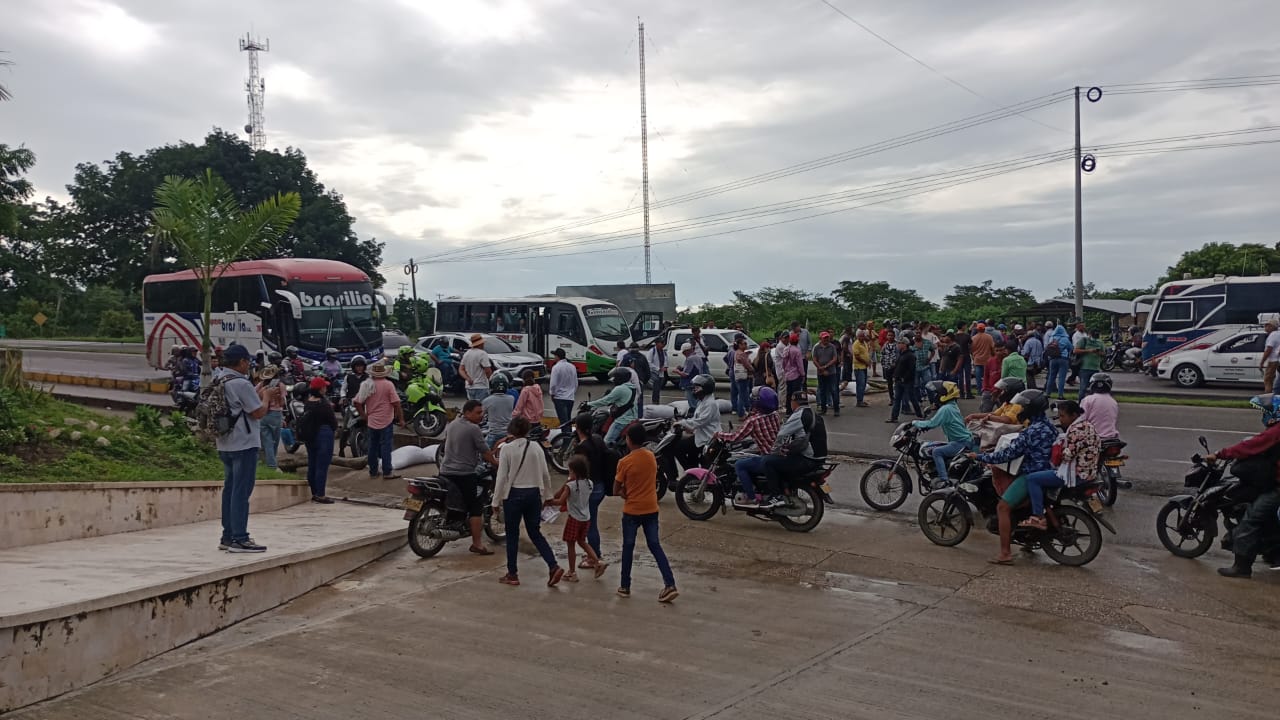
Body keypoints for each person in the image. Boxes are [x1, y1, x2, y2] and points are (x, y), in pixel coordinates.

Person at [969, 389, 1059, 565]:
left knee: (1003, 507)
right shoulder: (1048, 426)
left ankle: (1005, 553)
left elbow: (1007, 454)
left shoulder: (1031, 431)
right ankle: (1029, 539)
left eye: (1022, 407)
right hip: (1048, 470)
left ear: (1030, 409)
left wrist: (981, 457)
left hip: (1031, 474)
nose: (1019, 410)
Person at [1205, 394, 1280, 578]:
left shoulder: (1276, 431)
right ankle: (1272, 552)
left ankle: (1242, 567)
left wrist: (1220, 453)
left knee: (1251, 520)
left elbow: (1252, 445)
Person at [489, 416, 564, 586]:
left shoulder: (507, 449)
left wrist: (495, 502)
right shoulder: (536, 447)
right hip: (534, 494)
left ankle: (512, 574)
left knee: (512, 535)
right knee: (535, 532)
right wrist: (547, 496)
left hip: (514, 495)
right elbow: (546, 473)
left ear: (511, 431)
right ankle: (553, 565)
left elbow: (501, 478)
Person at [615, 423, 679, 602]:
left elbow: (616, 488)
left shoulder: (624, 462)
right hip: (651, 508)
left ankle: (625, 585)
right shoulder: (650, 456)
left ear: (628, 440)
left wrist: (624, 493)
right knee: (655, 545)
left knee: (628, 547)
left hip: (632, 510)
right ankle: (670, 583)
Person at [214, 344, 269, 553]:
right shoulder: (241, 383)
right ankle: (240, 538)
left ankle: (227, 536)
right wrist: (266, 397)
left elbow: (236, 404)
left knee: (229, 490)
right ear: (243, 362)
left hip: (225, 444)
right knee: (241, 492)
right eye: (248, 361)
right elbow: (257, 412)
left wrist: (256, 392)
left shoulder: (219, 378)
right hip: (244, 444)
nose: (249, 365)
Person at [1018, 399, 1100, 531]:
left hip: (1077, 474)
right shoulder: (1088, 425)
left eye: (1063, 416)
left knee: (1032, 479)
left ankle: (1038, 517)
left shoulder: (1076, 430)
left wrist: (1057, 450)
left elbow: (1067, 455)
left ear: (1073, 415)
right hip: (1089, 472)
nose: (1060, 420)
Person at [442, 399, 500, 555]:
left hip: (445, 470)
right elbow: (485, 452)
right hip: (464, 473)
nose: (481, 416)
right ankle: (477, 544)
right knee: (476, 507)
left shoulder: (452, 424)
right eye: (478, 413)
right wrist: (496, 463)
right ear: (467, 413)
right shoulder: (473, 429)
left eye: (482, 413)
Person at [715, 386, 782, 507]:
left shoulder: (753, 421)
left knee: (739, 464)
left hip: (768, 457)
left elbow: (736, 437)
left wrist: (719, 434)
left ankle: (751, 497)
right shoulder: (776, 415)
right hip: (778, 455)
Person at [759, 391, 825, 507]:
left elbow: (781, 435)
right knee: (784, 460)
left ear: (793, 403)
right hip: (819, 459)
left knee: (767, 461)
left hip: (807, 460)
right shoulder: (814, 414)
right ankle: (785, 488)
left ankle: (775, 496)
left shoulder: (798, 415)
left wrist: (774, 452)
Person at [549, 456, 607, 582]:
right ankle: (597, 562)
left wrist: (548, 502)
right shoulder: (589, 483)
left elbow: (560, 501)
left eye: (570, 471)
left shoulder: (571, 486)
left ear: (575, 472)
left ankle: (572, 572)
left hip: (574, 518)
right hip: (585, 518)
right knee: (582, 541)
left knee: (571, 545)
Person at [913, 381, 975, 485]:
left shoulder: (946, 409)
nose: (936, 396)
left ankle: (944, 480)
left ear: (945, 395)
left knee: (937, 452)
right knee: (936, 446)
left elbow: (932, 423)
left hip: (961, 442)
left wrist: (915, 423)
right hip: (963, 440)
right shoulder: (952, 405)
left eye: (938, 394)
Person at [572, 416, 613, 562]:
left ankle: (594, 555)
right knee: (592, 521)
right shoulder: (597, 440)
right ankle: (594, 552)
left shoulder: (581, 448)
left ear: (578, 428)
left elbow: (576, 472)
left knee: (590, 524)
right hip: (600, 486)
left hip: (589, 489)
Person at [355, 361, 405, 480]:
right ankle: (387, 472)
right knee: (386, 446)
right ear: (384, 373)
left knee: (372, 446)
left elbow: (357, 402)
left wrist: (364, 415)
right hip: (386, 420)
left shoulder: (367, 385)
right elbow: (396, 403)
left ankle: (373, 471)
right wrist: (401, 419)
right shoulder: (388, 385)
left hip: (372, 421)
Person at [298, 377, 337, 504]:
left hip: (311, 436)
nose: (326, 388)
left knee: (312, 464)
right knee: (322, 466)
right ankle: (320, 494)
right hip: (324, 434)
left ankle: (314, 492)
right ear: (321, 389)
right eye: (324, 386)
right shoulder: (324, 404)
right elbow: (333, 422)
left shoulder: (308, 403)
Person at [675, 374, 721, 471]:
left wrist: (682, 423)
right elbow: (696, 419)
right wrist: (685, 423)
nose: (694, 390)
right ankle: (693, 474)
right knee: (691, 453)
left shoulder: (710, 404)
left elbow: (699, 422)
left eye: (697, 387)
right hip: (701, 435)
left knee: (678, 448)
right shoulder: (702, 401)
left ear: (705, 388)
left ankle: (691, 474)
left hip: (708, 438)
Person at [585, 367, 640, 447]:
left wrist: (589, 404)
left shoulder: (620, 389)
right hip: (632, 416)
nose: (614, 380)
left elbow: (605, 401)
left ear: (620, 378)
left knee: (606, 442)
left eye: (616, 378)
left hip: (622, 420)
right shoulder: (631, 387)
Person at [255, 364, 286, 471]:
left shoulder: (261, 385)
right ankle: (272, 464)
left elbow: (255, 395)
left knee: (266, 440)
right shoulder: (280, 385)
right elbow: (282, 402)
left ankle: (268, 463)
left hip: (263, 413)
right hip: (275, 415)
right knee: (275, 440)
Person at [887, 337, 922, 423]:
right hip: (899, 380)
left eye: (900, 343)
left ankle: (919, 414)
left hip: (907, 381)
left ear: (905, 344)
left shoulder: (910, 355)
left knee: (912, 397)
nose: (898, 345)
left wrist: (904, 378)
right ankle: (894, 417)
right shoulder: (901, 354)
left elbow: (911, 369)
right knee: (897, 399)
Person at [1080, 372, 1120, 439]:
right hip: (1111, 437)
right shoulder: (1113, 402)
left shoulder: (1087, 400)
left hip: (1092, 437)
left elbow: (1081, 419)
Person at [482, 373, 516, 448]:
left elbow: (481, 416)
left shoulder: (487, 400)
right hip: (508, 433)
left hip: (493, 434)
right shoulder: (511, 398)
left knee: (484, 453)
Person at [813, 331, 841, 417]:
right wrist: (820, 368)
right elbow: (814, 359)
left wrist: (825, 366)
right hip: (820, 373)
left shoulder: (832, 347)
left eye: (827, 338)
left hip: (831, 372)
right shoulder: (817, 348)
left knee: (833, 390)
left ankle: (836, 409)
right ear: (820, 338)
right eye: (824, 338)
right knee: (822, 391)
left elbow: (835, 358)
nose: (826, 339)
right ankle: (823, 409)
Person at [460, 333, 494, 401]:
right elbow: (487, 371)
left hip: (469, 387)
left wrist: (468, 378)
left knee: (473, 408)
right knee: (481, 408)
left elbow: (461, 369)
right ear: (480, 344)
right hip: (481, 386)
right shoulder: (482, 354)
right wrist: (492, 381)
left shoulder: (467, 354)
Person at [548, 348, 578, 426]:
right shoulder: (572, 367)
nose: (554, 357)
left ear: (558, 357)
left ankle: (566, 437)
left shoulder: (556, 367)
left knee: (564, 422)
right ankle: (569, 437)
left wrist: (552, 394)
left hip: (559, 398)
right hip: (570, 398)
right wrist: (571, 392)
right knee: (568, 420)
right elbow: (576, 383)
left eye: (555, 355)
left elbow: (553, 384)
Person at [1043, 322, 1072, 400]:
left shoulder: (1051, 338)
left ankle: (1048, 393)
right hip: (1063, 359)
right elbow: (1070, 348)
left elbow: (1047, 347)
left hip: (1052, 359)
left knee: (1051, 377)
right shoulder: (1065, 338)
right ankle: (1060, 395)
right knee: (1061, 377)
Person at [1075, 328, 1106, 400]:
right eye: (1094, 335)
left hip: (1095, 368)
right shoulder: (1084, 340)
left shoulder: (1100, 342)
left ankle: (1092, 403)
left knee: (1094, 389)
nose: (1094, 338)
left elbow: (1104, 354)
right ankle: (1080, 404)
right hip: (1084, 368)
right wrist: (1088, 350)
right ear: (1089, 334)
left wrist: (1098, 352)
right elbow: (1076, 350)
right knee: (1083, 388)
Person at [675, 342, 705, 410]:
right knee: (697, 401)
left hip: (690, 383)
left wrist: (677, 371)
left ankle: (695, 415)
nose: (683, 354)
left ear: (688, 351)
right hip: (698, 382)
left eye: (684, 352)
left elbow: (686, 374)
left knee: (692, 402)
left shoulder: (690, 359)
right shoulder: (698, 357)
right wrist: (682, 368)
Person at [978, 345, 1005, 414]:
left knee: (1004, 414)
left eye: (1001, 350)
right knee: (984, 413)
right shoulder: (990, 361)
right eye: (997, 351)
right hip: (990, 391)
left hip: (1002, 392)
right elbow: (986, 376)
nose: (999, 353)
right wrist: (985, 389)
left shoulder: (1007, 362)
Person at [732, 336, 754, 419]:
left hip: (739, 376)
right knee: (742, 394)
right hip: (743, 376)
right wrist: (752, 369)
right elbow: (746, 364)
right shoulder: (741, 354)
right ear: (739, 345)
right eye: (744, 344)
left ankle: (746, 410)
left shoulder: (737, 353)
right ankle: (741, 413)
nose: (746, 345)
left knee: (743, 394)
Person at [970, 322, 996, 393]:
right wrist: (994, 356)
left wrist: (973, 357)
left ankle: (979, 390)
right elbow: (992, 348)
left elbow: (971, 350)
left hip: (977, 360)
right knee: (987, 376)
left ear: (977, 329)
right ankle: (987, 389)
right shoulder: (989, 337)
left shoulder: (973, 338)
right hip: (987, 360)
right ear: (984, 329)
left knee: (978, 377)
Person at [781, 332, 805, 409]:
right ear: (797, 341)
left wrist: (785, 370)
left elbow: (783, 363)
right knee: (796, 393)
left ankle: (788, 409)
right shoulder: (797, 351)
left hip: (788, 374)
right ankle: (796, 408)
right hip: (796, 375)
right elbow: (800, 365)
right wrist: (802, 374)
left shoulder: (786, 349)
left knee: (789, 393)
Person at [850, 329, 871, 408]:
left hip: (864, 367)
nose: (862, 337)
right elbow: (857, 356)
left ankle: (861, 399)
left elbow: (866, 353)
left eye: (863, 336)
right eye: (860, 336)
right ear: (857, 336)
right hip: (859, 367)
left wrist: (869, 361)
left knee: (864, 383)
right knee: (860, 384)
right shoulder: (856, 344)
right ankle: (859, 401)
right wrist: (866, 362)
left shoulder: (864, 343)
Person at [645, 337, 668, 406]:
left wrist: (665, 366)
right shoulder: (652, 351)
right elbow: (648, 362)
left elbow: (665, 360)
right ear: (657, 343)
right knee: (656, 386)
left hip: (661, 372)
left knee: (659, 387)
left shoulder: (663, 351)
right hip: (654, 371)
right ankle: (655, 402)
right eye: (661, 343)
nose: (663, 344)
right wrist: (658, 368)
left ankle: (656, 401)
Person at [880, 329, 899, 405]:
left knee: (897, 382)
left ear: (894, 336)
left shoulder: (897, 345)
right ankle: (892, 398)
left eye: (891, 335)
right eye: (889, 335)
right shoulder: (885, 345)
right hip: (887, 366)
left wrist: (896, 363)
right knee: (889, 383)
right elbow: (882, 354)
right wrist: (883, 364)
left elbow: (899, 355)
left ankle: (898, 397)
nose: (890, 337)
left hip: (896, 366)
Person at [1261, 320, 1280, 394]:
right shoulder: (1278, 334)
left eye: (1267, 325)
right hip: (1277, 361)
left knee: (1268, 381)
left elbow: (1269, 349)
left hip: (1273, 361)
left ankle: (1268, 398)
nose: (1265, 327)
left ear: (1273, 327)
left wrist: (1262, 362)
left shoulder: (1273, 335)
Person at [1067, 321, 1088, 386]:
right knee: (1076, 367)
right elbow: (1076, 344)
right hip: (1077, 353)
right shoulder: (1076, 335)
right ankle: (1071, 379)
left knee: (1079, 368)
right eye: (1082, 326)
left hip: (1084, 352)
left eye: (1084, 326)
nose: (1083, 327)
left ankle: (1076, 379)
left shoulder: (1084, 334)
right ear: (1078, 327)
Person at [839, 326, 855, 392]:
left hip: (847, 355)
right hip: (847, 356)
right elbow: (844, 347)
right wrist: (850, 353)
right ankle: (847, 382)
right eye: (852, 329)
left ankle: (845, 382)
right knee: (847, 370)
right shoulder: (846, 337)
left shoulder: (847, 337)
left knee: (847, 369)